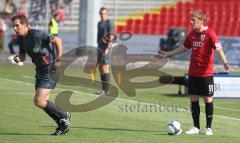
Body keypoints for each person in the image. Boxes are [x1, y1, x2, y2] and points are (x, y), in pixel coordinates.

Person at [157, 10, 230, 135]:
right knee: (193, 99)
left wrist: (225, 62)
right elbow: (183, 48)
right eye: (190, 20)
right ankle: (196, 127)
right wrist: (168, 53)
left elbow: (219, 49)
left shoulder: (210, 33)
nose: (191, 22)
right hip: (193, 73)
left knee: (208, 99)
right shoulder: (191, 34)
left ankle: (208, 128)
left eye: (193, 20)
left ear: (201, 21)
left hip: (206, 73)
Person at [11, 15, 71, 136]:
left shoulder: (37, 34)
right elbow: (22, 55)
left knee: (39, 100)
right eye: (14, 26)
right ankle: (62, 123)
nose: (15, 28)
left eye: (17, 25)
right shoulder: (21, 39)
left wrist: (59, 59)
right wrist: (19, 58)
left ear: (25, 25)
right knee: (41, 102)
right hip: (39, 71)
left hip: (51, 68)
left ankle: (64, 115)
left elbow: (58, 40)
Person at [96, 7, 115, 96]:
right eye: (101, 13)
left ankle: (107, 90)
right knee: (100, 68)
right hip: (100, 47)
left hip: (105, 49)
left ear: (107, 14)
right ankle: (103, 89)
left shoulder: (109, 23)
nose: (102, 15)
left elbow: (111, 37)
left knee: (105, 68)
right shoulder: (99, 23)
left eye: (104, 14)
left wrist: (107, 48)